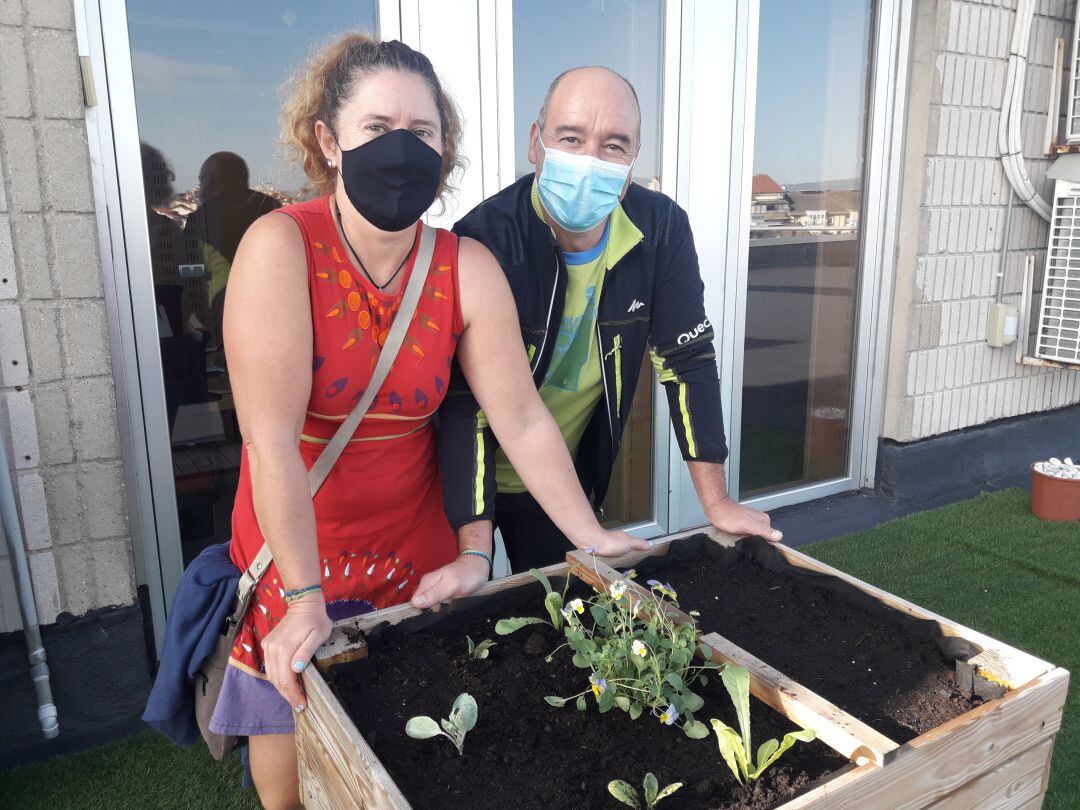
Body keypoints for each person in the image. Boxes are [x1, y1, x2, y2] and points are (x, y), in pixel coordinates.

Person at [211, 38, 647, 809]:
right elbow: (270, 440)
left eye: (422, 132)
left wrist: (591, 534)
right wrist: (305, 597)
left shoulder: (463, 266)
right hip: (297, 550)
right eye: (377, 127)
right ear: (327, 138)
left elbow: (520, 417)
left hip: (416, 558)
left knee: (410, 767)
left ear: (445, 149)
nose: (401, 150)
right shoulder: (281, 248)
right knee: (293, 788)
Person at [441, 66, 783, 573]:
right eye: (570, 138)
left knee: (561, 625)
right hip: (463, 475)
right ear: (536, 142)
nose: (589, 160)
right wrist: (474, 544)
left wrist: (716, 501)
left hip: (560, 483)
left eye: (613, 145)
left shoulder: (661, 229)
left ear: (631, 162)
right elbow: (464, 401)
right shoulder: (485, 241)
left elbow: (686, 358)